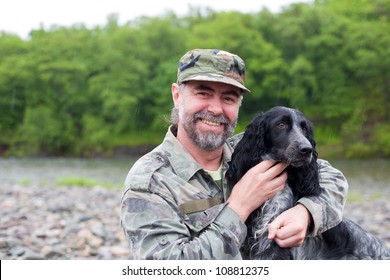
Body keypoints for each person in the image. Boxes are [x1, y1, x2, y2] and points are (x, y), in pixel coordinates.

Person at [120, 49, 348, 260]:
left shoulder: (254, 150)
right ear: (177, 96)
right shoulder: (150, 182)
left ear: (239, 104)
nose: (216, 109)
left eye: (228, 98)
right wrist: (239, 207)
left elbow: (332, 179)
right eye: (203, 93)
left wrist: (305, 213)